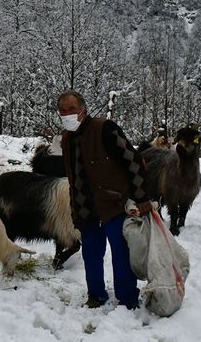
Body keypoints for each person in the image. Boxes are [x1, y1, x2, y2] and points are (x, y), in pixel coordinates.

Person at [57, 90, 153, 309]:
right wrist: (75, 208)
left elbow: (134, 162)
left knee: (121, 254)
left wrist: (141, 197)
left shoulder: (105, 129)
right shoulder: (67, 138)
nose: (67, 114)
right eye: (63, 111)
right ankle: (96, 296)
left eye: (72, 109)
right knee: (91, 254)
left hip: (114, 204)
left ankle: (127, 299)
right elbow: (73, 177)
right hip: (86, 208)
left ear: (83, 110)